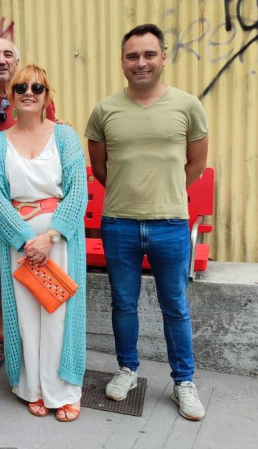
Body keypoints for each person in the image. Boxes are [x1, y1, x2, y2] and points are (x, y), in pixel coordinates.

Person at [86, 23, 208, 421]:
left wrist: (165, 192)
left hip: (170, 225)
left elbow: (196, 164)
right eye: (133, 56)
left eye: (148, 54)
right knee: (124, 303)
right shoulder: (105, 110)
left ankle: (183, 383)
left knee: (175, 306)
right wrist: (131, 194)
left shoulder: (187, 106)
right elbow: (101, 168)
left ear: (163, 57)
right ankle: (128, 370)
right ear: (123, 61)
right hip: (119, 224)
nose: (141, 63)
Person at [0, 64, 87, 422]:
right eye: (21, 87)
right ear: (11, 96)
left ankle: (62, 391)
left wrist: (51, 236)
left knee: (58, 312)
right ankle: (32, 388)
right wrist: (26, 240)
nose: (29, 92)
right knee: (26, 315)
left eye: (37, 87)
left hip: (58, 241)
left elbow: (79, 191)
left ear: (47, 95)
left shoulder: (65, 136)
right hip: (19, 242)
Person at [0, 38, 59, 371]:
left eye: (7, 54)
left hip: (26, 203)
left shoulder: (32, 92)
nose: (1, 60)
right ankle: (0, 336)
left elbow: (50, 134)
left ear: (17, 61)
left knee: (27, 267)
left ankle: (35, 342)